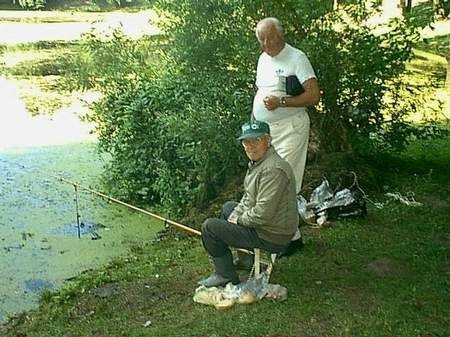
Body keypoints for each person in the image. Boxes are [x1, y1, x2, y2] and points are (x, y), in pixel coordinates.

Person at [198, 120, 299, 287]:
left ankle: (225, 275)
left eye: (256, 140)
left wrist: (239, 220)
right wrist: (236, 213)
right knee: (228, 208)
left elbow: (262, 214)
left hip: (274, 234)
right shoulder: (260, 163)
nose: (250, 146)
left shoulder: (273, 169)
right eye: (246, 141)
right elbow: (248, 198)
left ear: (268, 140)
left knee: (209, 227)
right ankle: (247, 260)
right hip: (269, 225)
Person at [252, 17, 321, 254]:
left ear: (281, 35)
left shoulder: (297, 58)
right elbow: (262, 91)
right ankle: (292, 236)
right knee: (270, 181)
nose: (266, 42)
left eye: (270, 37)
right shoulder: (263, 59)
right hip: (267, 132)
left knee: (284, 181)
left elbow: (314, 96)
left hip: (290, 128)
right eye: (261, 38)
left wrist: (282, 101)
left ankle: (285, 239)